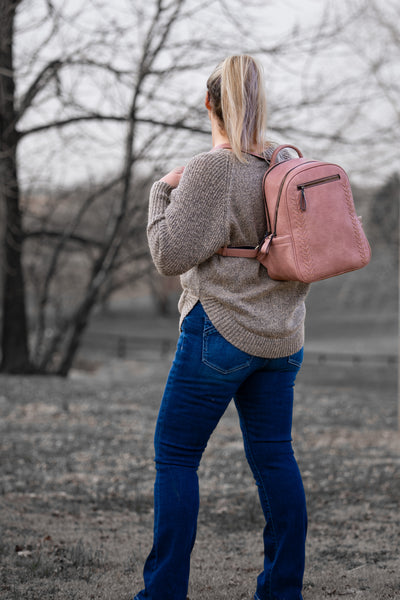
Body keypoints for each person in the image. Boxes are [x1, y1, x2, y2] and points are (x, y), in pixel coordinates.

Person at [134, 55, 310, 600]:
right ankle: (281, 592)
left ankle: (162, 594)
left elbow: (167, 254)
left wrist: (162, 189)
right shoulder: (281, 163)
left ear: (209, 103)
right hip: (283, 337)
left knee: (177, 457)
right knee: (276, 456)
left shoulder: (214, 168)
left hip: (221, 332)